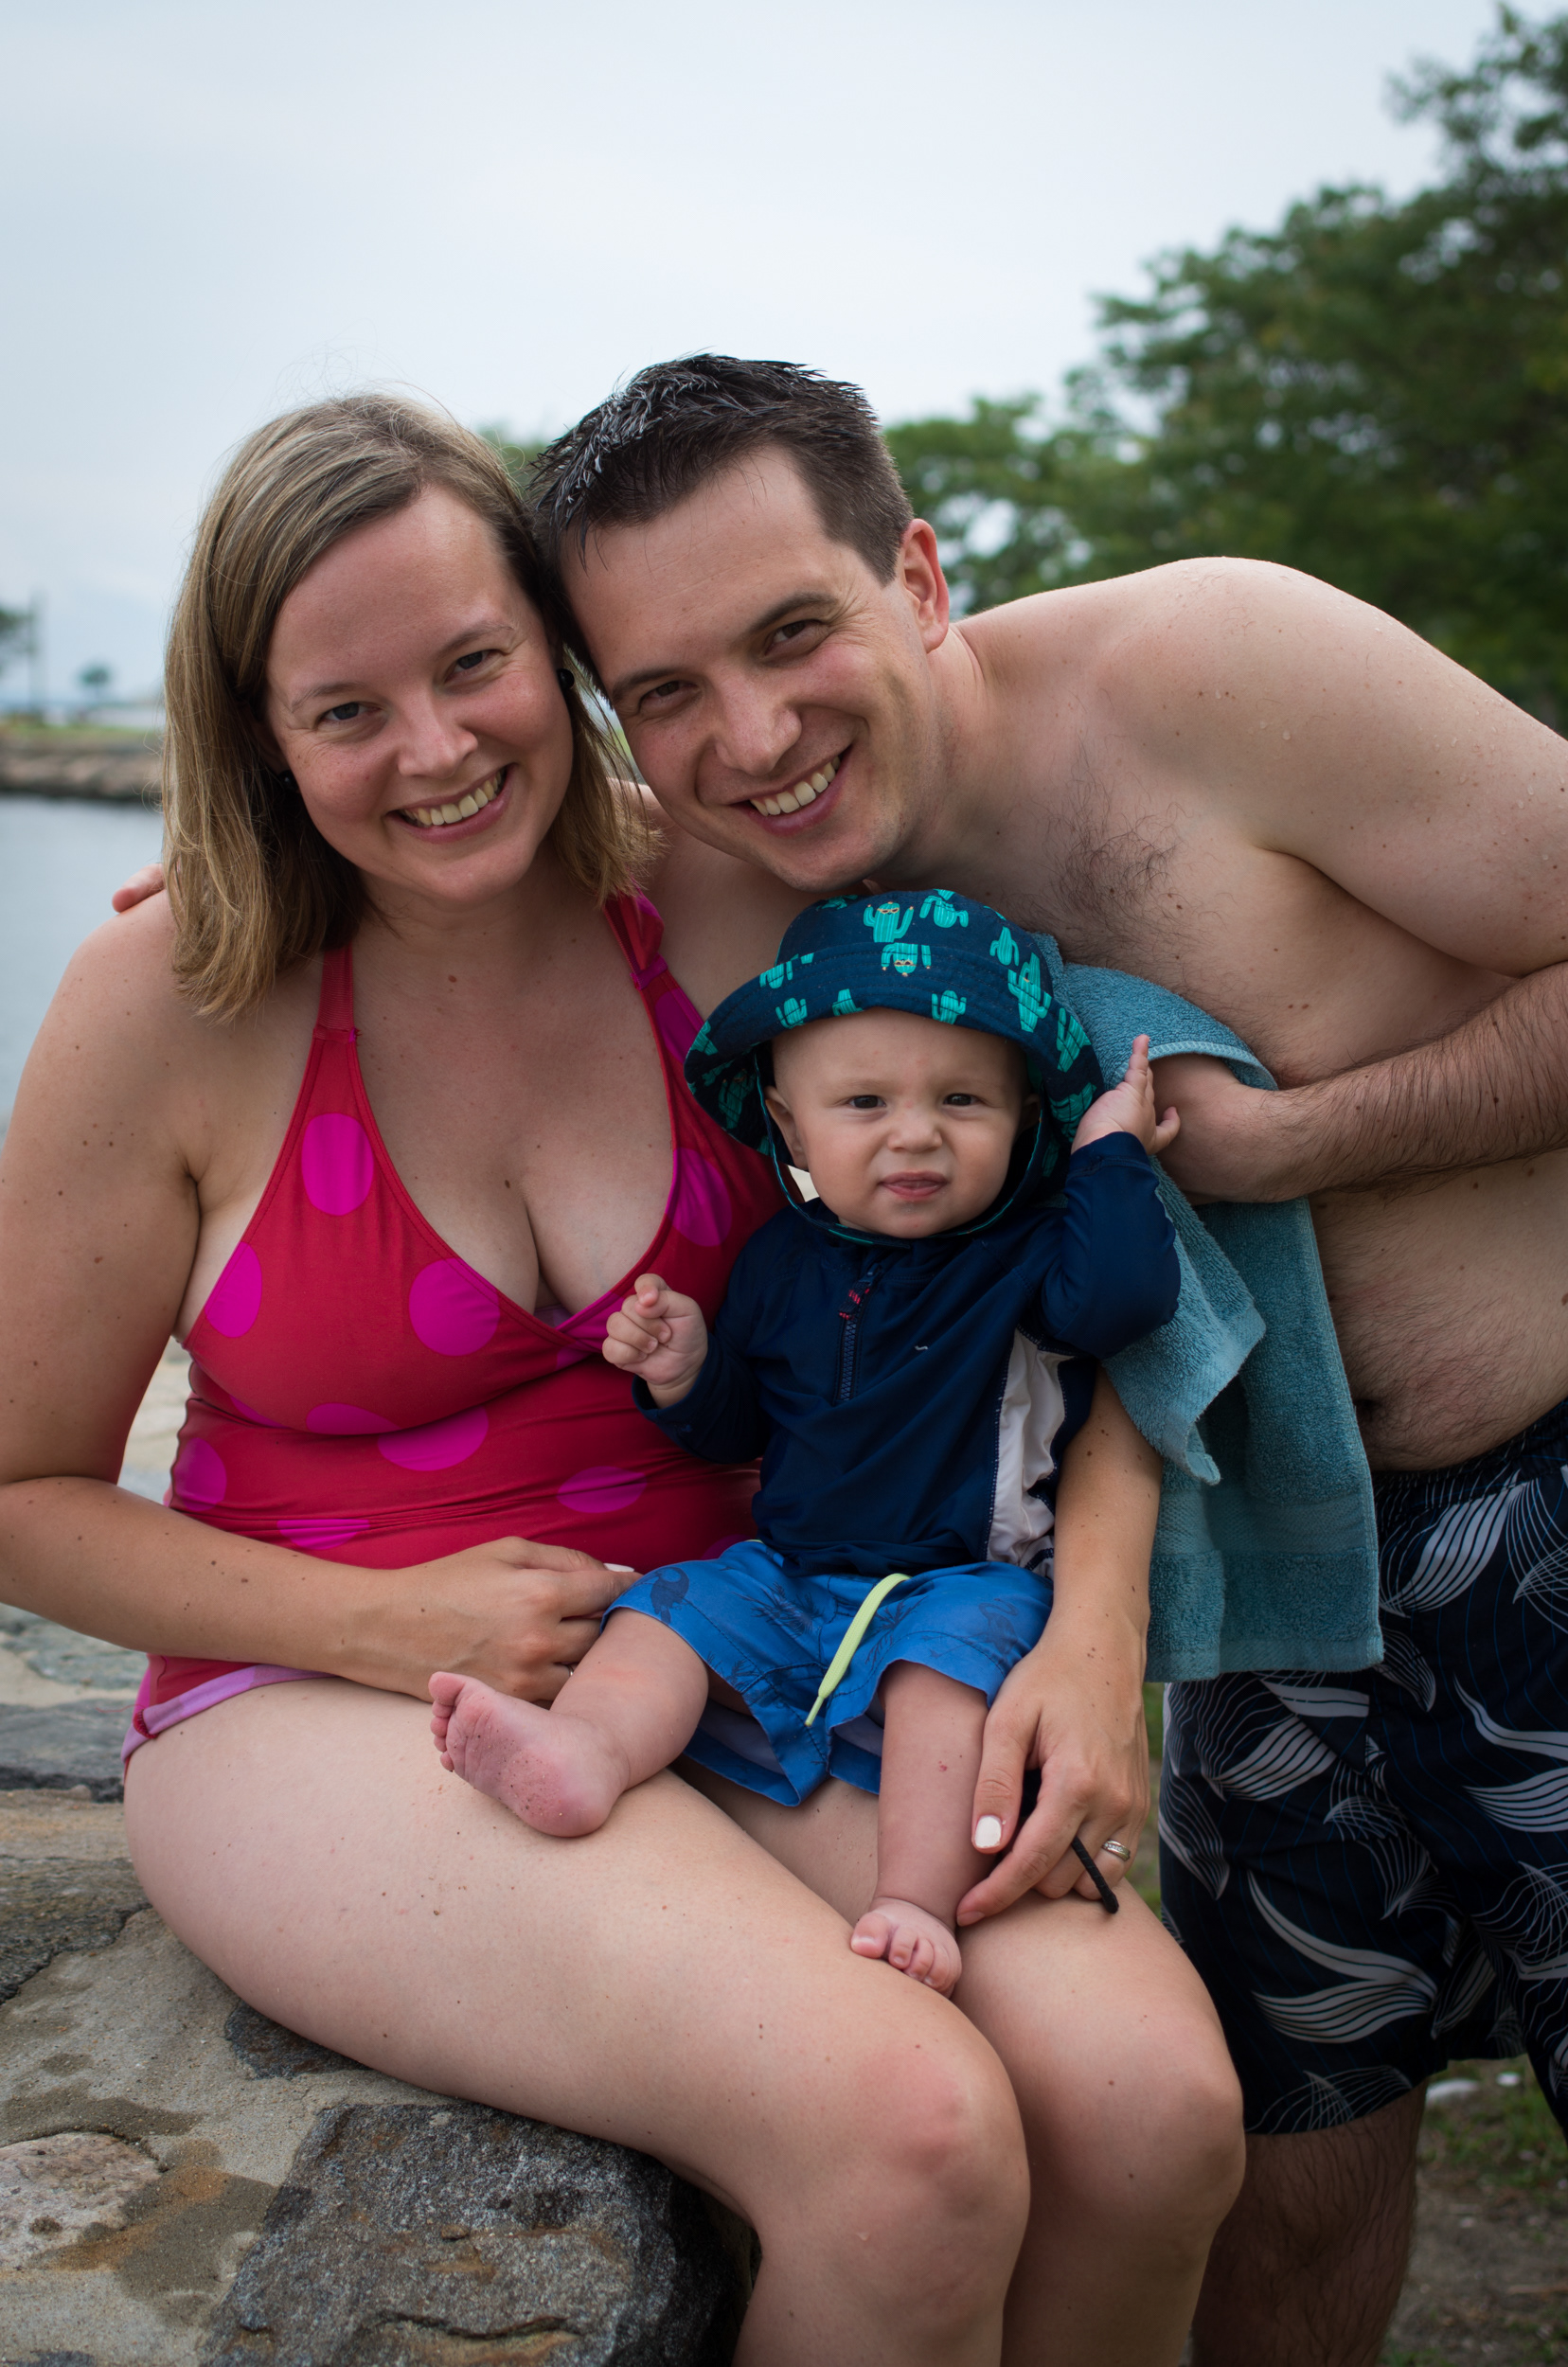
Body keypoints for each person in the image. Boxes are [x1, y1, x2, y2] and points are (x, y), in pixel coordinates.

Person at [2, 391, 1245, 2367]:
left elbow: (1045, 1291)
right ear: (256, 733)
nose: (435, 749)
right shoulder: (172, 1003)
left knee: (1151, 2109)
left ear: (558, 653)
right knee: (910, 2136)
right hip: (325, 1693)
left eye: (474, 664)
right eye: (344, 711)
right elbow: (20, 1493)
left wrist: (1093, 1634)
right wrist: (386, 1620)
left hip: (787, 1628)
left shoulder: (733, 910)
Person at [499, 351, 1568, 2367]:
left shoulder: (1217, 668)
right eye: (667, 690)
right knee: (1294, 2181)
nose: (754, 733)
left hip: (1547, 1504)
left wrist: (1304, 1141)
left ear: (917, 574)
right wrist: (261, 870)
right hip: (1265, 1597)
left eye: (792, 632)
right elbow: (474, 861)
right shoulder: (776, 871)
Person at [432, 891, 1181, 1996]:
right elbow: (740, 1429)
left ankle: (913, 1897)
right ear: (790, 1125)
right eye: (865, 1101)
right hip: (792, 1570)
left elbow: (1127, 1299)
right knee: (666, 1610)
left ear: (1026, 1115)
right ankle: (582, 1753)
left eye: (963, 1099)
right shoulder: (782, 1260)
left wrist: (1110, 1152)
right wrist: (687, 1371)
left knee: (945, 1683)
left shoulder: (1027, 1258)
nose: (915, 1133)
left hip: (958, 1580)